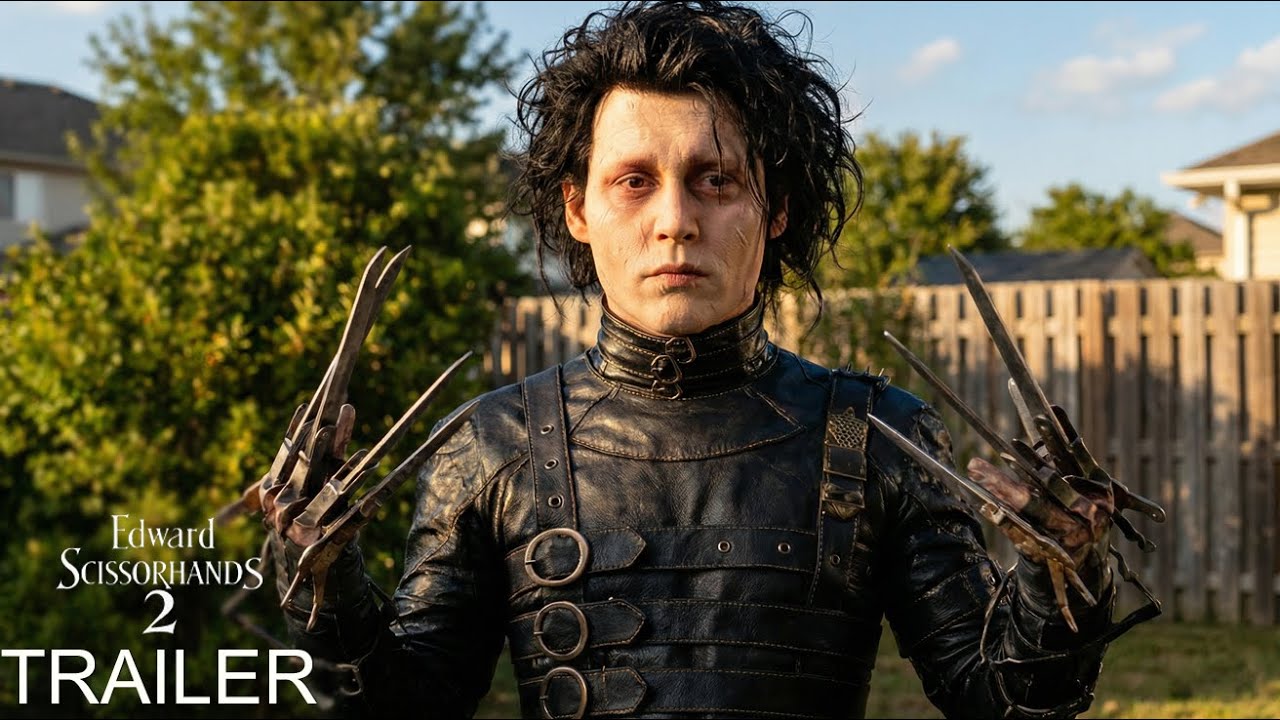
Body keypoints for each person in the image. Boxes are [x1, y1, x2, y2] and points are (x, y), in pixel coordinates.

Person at [263, 2, 1130, 718]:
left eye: (715, 180)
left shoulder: (877, 438)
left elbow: (1000, 699)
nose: (675, 220)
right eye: (634, 180)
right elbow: (411, 701)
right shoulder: (493, 446)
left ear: (775, 207)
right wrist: (326, 587)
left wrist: (1061, 576)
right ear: (577, 208)